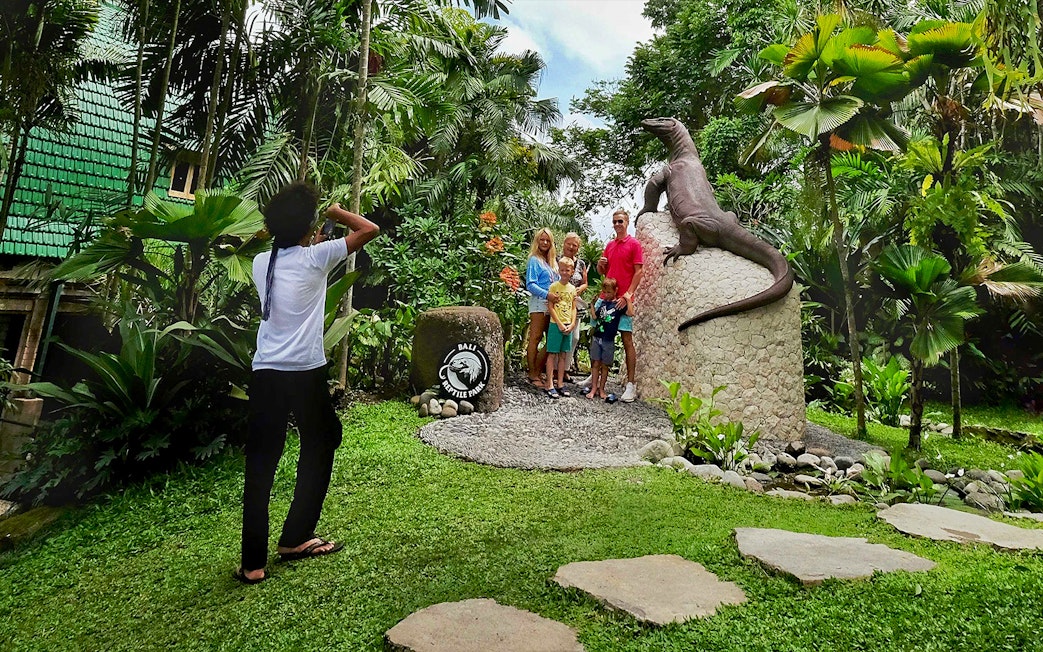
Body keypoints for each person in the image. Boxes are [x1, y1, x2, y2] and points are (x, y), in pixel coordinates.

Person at [238, 182, 379, 584]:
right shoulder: (318, 257)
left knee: (261, 461)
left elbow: (292, 263)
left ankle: (253, 564)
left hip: (265, 371)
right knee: (322, 440)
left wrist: (307, 241)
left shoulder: (262, 263)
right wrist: (335, 213)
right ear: (307, 227)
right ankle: (296, 537)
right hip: (304, 371)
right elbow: (368, 230)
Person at [596, 209, 644, 402]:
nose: (617, 225)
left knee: (626, 341)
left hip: (623, 301)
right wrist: (600, 265)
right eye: (614, 222)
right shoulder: (609, 245)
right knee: (600, 338)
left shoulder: (634, 244)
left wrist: (628, 295)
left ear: (627, 222)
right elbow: (603, 272)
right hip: (607, 300)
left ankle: (631, 385)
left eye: (620, 221)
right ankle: (596, 377)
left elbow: (638, 272)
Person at [525, 228, 558, 385]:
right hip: (539, 304)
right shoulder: (534, 260)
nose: (544, 243)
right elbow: (530, 284)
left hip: (552, 306)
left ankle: (538, 370)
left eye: (547, 240)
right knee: (536, 338)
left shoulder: (552, 262)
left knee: (551, 340)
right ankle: (533, 374)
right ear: (537, 241)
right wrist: (547, 295)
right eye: (542, 240)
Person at [586, 277, 624, 401]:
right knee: (595, 363)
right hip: (597, 337)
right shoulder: (602, 303)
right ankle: (593, 388)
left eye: (609, 292)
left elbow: (630, 313)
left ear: (615, 291)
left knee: (605, 366)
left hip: (609, 339)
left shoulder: (618, 305)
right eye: (605, 292)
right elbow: (595, 316)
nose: (606, 295)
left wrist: (627, 299)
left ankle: (602, 389)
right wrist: (592, 304)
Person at [545, 257, 578, 398]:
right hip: (555, 324)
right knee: (552, 354)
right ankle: (549, 384)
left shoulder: (572, 289)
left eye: (567, 270)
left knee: (563, 355)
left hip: (567, 325)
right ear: (559, 270)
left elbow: (573, 308)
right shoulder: (554, 287)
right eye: (562, 270)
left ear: (572, 272)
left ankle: (560, 383)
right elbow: (550, 306)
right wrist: (558, 322)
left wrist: (572, 323)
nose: (564, 272)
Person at [558, 232, 588, 380]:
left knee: (574, 337)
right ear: (564, 244)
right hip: (559, 303)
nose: (571, 247)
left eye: (574, 245)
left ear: (578, 248)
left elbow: (585, 283)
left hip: (575, 303)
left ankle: (565, 369)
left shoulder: (581, 263)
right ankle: (556, 370)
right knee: (559, 334)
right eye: (569, 243)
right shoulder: (557, 260)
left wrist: (579, 289)